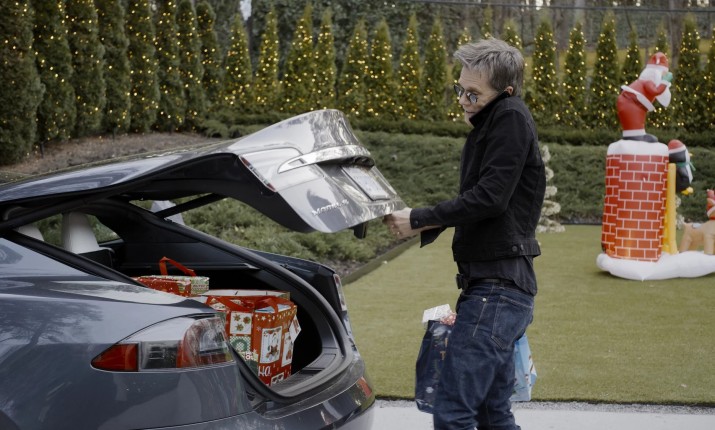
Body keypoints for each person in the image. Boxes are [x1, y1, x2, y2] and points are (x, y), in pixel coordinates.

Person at [383, 38, 545, 430]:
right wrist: (420, 221)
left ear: (505, 91)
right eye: (460, 90)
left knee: (453, 411)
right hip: (497, 291)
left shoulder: (509, 116)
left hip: (496, 292)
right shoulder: (499, 119)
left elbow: (490, 198)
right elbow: (484, 200)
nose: (463, 101)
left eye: (473, 94)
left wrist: (419, 218)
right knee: (492, 414)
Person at [616, 52, 673, 143]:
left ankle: (637, 134)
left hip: (634, 104)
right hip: (631, 102)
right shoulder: (648, 82)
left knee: (637, 118)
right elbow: (656, 91)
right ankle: (635, 135)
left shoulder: (645, 81)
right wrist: (665, 81)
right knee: (634, 117)